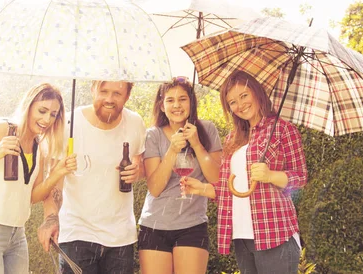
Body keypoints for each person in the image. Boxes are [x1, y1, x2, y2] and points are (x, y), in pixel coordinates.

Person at [182, 70, 307, 274]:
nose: (240, 105)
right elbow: (228, 189)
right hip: (242, 236)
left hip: (275, 233)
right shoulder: (233, 138)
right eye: (232, 102)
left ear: (257, 93)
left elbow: (300, 178)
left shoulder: (283, 129)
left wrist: (270, 176)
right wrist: (201, 188)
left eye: (244, 96)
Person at [0, 83, 76, 274]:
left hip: (17, 235)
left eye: (53, 114)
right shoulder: (2, 129)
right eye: (42, 111)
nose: (47, 119)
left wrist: (58, 173)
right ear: (29, 106)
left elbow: (32, 196)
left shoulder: (39, 146)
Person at [37, 80, 146, 274]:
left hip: (121, 237)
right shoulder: (68, 124)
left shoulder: (135, 123)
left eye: (117, 94)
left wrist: (138, 171)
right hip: (77, 234)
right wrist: (51, 218)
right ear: (93, 89)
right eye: (104, 91)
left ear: (128, 96)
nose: (109, 99)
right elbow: (55, 181)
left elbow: (141, 164)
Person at [138, 77, 222, 274]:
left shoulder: (207, 130)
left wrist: (197, 144)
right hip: (154, 225)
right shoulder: (153, 135)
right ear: (161, 105)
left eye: (183, 99)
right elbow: (155, 188)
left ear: (191, 102)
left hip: (192, 225)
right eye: (170, 100)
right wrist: (172, 151)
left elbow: (217, 179)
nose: (176, 105)